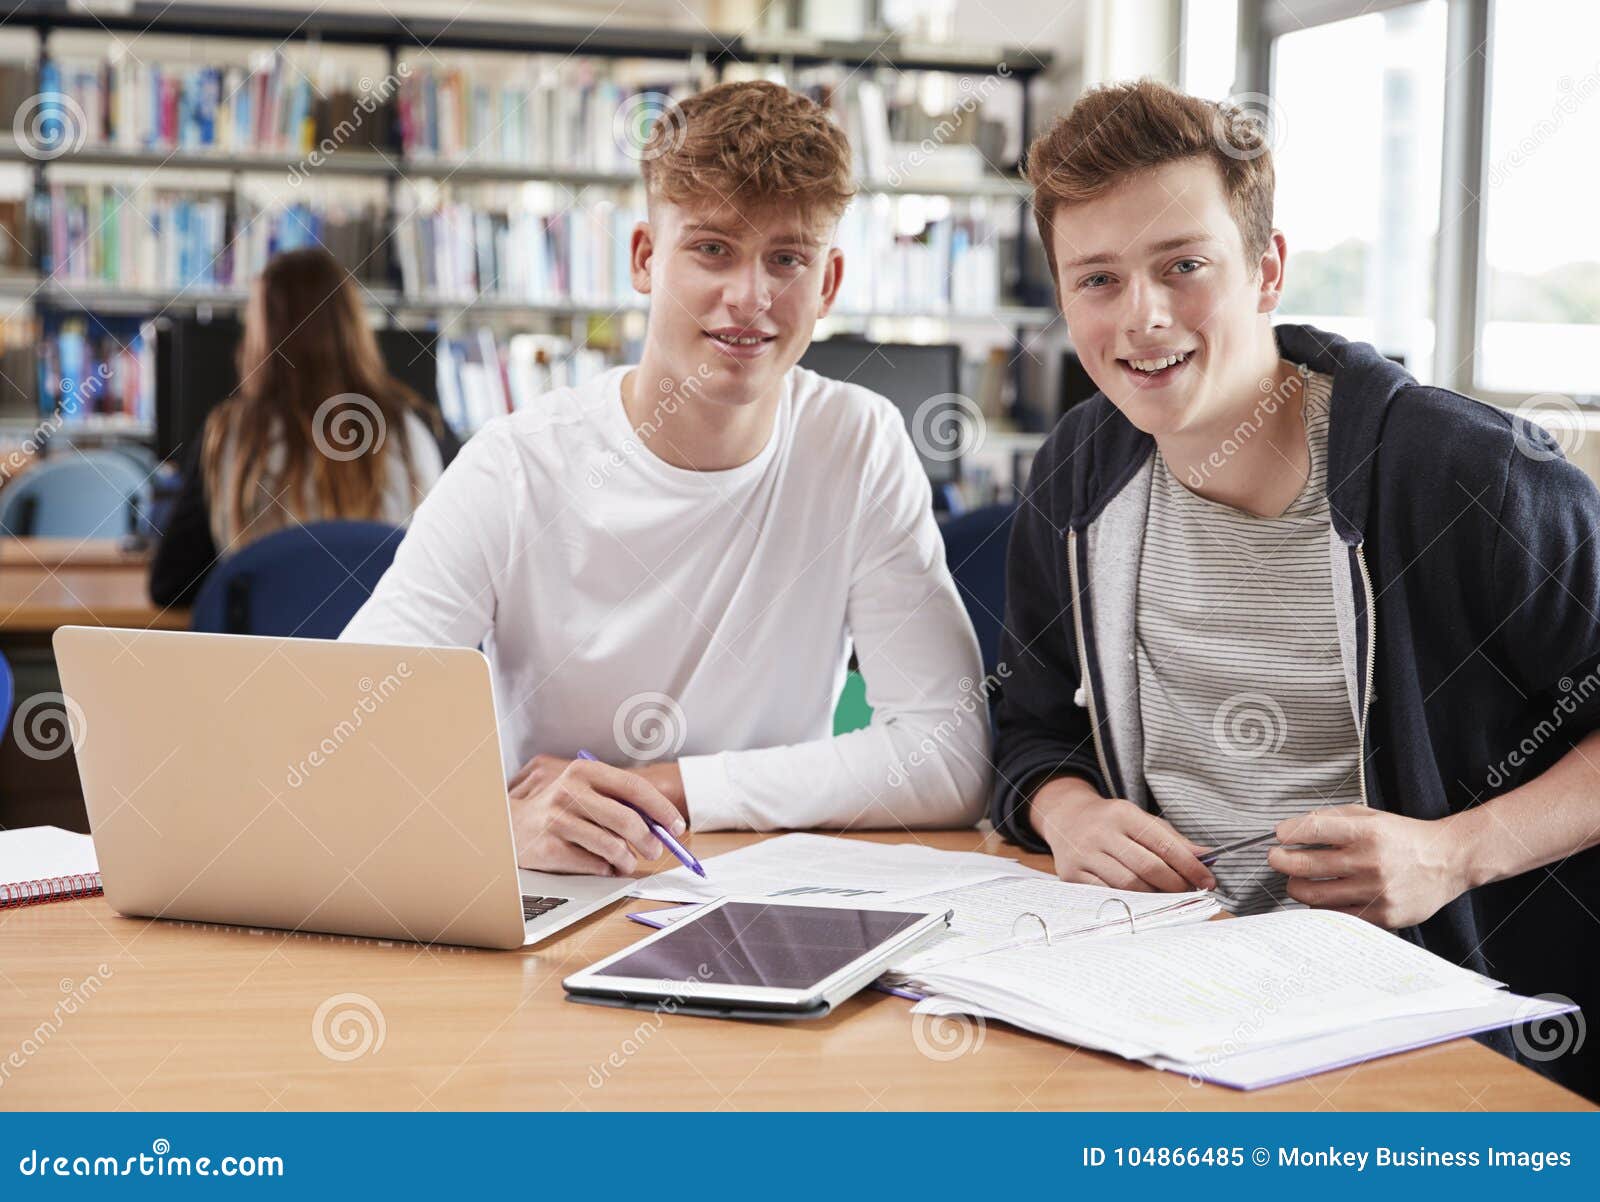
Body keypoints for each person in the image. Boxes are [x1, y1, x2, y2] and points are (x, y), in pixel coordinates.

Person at [990, 79, 1600, 1085]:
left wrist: (1454, 850)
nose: (1142, 318)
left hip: (1432, 1025)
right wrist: (1069, 810)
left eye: (1182, 266)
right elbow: (1028, 720)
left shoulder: (1464, 475)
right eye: (1096, 279)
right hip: (1161, 992)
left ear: (1265, 270)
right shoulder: (1080, 468)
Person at [340, 81, 989, 876]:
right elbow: (348, 735)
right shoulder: (517, 464)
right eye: (712, 248)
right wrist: (491, 826)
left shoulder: (857, 443)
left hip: (765, 891)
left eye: (786, 259)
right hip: (561, 882)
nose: (749, 298)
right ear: (646, 258)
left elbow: (950, 755)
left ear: (827, 286)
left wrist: (670, 787)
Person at [150, 246, 445, 607]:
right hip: (386, 659)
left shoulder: (229, 436)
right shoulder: (415, 433)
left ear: (264, 337)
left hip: (263, 660)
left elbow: (169, 585)